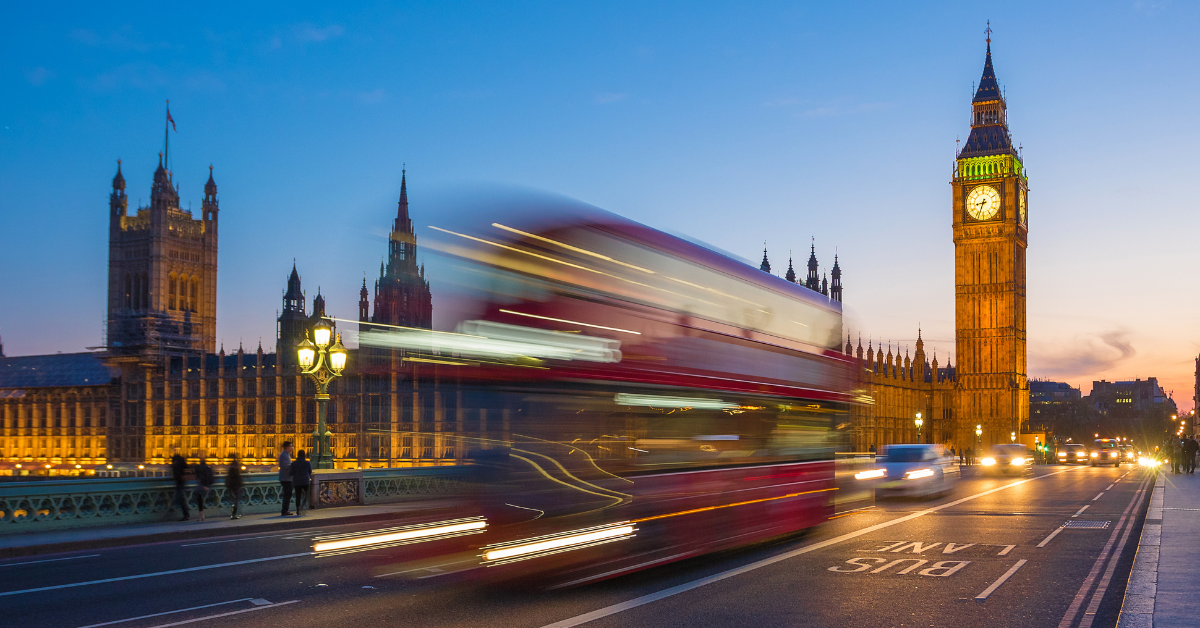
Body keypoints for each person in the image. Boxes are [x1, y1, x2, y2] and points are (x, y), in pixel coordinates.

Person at [290, 450, 314, 515]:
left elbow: (291, 473)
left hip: (297, 481)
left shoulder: (294, 463)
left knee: (298, 496)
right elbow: (310, 471)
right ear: (304, 455)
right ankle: (303, 506)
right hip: (305, 481)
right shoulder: (307, 463)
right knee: (307, 494)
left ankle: (298, 509)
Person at [194, 456, 215, 522]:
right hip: (206, 486)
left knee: (199, 499)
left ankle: (201, 516)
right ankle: (201, 516)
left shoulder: (201, 469)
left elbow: (198, 475)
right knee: (202, 499)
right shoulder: (207, 469)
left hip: (202, 486)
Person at [171, 453, 190, 521]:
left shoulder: (176, 464)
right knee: (180, 497)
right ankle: (185, 514)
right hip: (181, 482)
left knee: (180, 497)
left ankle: (174, 506)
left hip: (179, 482)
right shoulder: (182, 463)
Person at [278, 441, 295, 516]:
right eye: (291, 446)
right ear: (287, 447)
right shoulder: (284, 455)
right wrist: (293, 465)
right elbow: (285, 466)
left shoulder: (286, 455)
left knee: (288, 494)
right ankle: (284, 511)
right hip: (286, 478)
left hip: (287, 478)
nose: (292, 447)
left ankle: (285, 510)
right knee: (287, 495)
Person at [226, 454, 244, 520]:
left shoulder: (231, 467)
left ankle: (233, 514)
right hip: (236, 486)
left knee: (234, 500)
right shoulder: (236, 467)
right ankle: (234, 514)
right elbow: (237, 477)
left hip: (231, 486)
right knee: (236, 500)